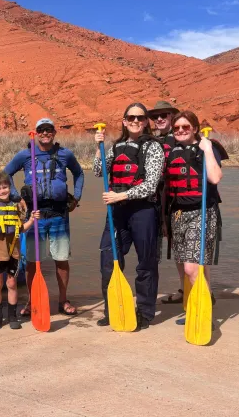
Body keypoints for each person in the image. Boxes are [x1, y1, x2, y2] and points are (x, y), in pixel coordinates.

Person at [94, 103, 164, 331]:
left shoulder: (154, 147)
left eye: (140, 118)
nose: (136, 121)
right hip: (118, 212)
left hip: (143, 211)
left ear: (146, 122)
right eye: (131, 117)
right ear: (124, 121)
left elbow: (151, 185)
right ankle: (112, 307)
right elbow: (98, 171)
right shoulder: (115, 147)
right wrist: (99, 147)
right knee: (108, 261)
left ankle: (145, 311)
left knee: (146, 263)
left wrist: (120, 195)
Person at [5, 118, 84, 317]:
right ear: (36, 132)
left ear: (54, 132)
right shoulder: (25, 155)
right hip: (35, 215)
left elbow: (79, 173)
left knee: (61, 259)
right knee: (32, 261)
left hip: (59, 214)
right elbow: (5, 174)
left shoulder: (65, 154)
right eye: (41, 129)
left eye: (49, 129)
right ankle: (32, 301)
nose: (45, 133)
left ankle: (63, 300)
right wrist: (16, 198)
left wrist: (77, 196)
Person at [165, 111, 224, 323]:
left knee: (192, 267)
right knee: (189, 266)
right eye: (177, 128)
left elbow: (215, 177)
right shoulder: (171, 151)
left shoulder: (208, 148)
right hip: (178, 214)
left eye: (185, 127)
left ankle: (204, 315)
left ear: (195, 129)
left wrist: (207, 149)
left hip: (202, 212)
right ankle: (197, 307)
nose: (181, 131)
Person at [0, 172, 40, 330]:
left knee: (12, 283)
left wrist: (31, 220)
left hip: (13, 252)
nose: (2, 191)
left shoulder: (16, 206)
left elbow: (21, 228)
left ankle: (12, 316)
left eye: (5, 187)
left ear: (10, 188)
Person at [148, 101, 187, 305]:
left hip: (176, 200)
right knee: (168, 247)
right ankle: (184, 289)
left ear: (172, 117)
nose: (159, 119)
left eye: (164, 115)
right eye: (155, 116)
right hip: (156, 200)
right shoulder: (151, 140)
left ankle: (193, 289)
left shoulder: (180, 138)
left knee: (183, 247)